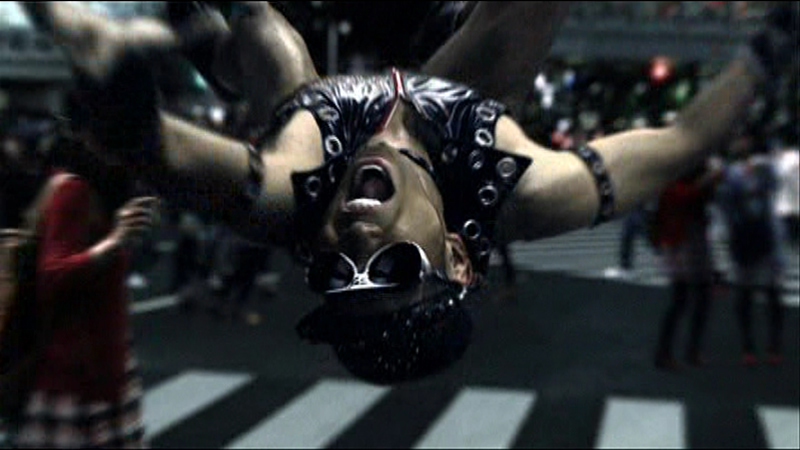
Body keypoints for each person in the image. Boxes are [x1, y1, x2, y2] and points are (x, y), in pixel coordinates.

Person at [22, 1, 798, 384]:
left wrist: (122, 103)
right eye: (392, 268)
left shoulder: (297, 195)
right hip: (452, 85)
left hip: (321, 106)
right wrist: (774, 45)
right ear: (457, 257)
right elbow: (683, 141)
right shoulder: (519, 185)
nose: (356, 241)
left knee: (256, 34)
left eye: (336, 274)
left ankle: (205, 42)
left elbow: (162, 151)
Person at [2, 98, 160, 447]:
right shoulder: (74, 189)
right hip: (75, 378)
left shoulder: (103, 188)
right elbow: (53, 274)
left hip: (103, 368)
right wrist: (115, 242)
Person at [717, 129, 786, 366]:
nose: (740, 143)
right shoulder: (729, 173)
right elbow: (725, 205)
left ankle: (774, 345)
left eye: (743, 139)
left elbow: (773, 186)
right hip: (743, 237)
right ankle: (748, 346)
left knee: (773, 293)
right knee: (745, 294)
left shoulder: (764, 167)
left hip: (765, 236)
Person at [652, 159, 723, 370]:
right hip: (680, 243)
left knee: (697, 300)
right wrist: (708, 179)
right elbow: (683, 197)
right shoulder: (674, 185)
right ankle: (668, 353)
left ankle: (689, 350)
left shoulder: (682, 183)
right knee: (682, 300)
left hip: (690, 241)